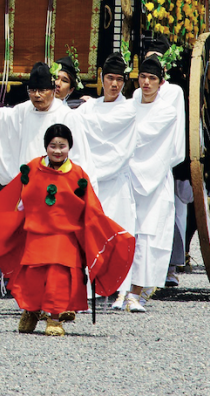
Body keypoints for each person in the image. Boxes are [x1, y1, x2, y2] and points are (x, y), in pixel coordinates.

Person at [0, 123, 134, 336]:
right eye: (52, 145)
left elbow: (91, 208)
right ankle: (31, 311)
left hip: (65, 236)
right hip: (36, 233)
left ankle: (54, 318)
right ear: (46, 147)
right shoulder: (32, 168)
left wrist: (99, 232)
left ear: (69, 147)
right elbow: (18, 198)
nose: (57, 150)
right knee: (32, 278)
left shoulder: (78, 174)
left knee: (58, 278)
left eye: (62, 146)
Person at [121, 54, 186, 312]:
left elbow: (143, 136)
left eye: (152, 78)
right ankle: (122, 288)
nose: (146, 83)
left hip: (154, 177)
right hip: (127, 175)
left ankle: (138, 291)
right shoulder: (129, 104)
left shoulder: (166, 110)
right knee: (127, 230)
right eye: (143, 77)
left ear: (161, 82)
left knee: (148, 235)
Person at [72, 53, 137, 292]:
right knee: (91, 234)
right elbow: (71, 124)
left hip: (115, 182)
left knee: (118, 231)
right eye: (110, 78)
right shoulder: (90, 108)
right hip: (92, 182)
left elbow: (111, 139)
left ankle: (120, 289)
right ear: (101, 78)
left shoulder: (128, 110)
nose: (114, 84)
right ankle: (90, 288)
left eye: (119, 79)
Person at [0, 60, 76, 188]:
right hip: (26, 182)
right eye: (32, 90)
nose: (37, 95)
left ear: (53, 91)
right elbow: (3, 116)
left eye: (42, 90)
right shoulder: (25, 109)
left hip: (55, 182)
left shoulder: (66, 115)